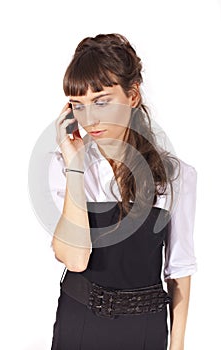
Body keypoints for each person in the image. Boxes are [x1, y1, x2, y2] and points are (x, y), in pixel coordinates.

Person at [49, 33, 197, 350]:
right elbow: (74, 259)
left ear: (132, 96)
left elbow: (179, 268)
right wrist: (75, 167)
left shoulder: (176, 175)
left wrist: (178, 344)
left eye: (102, 101)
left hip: (145, 327)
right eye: (79, 105)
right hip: (80, 320)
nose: (90, 118)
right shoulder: (66, 165)